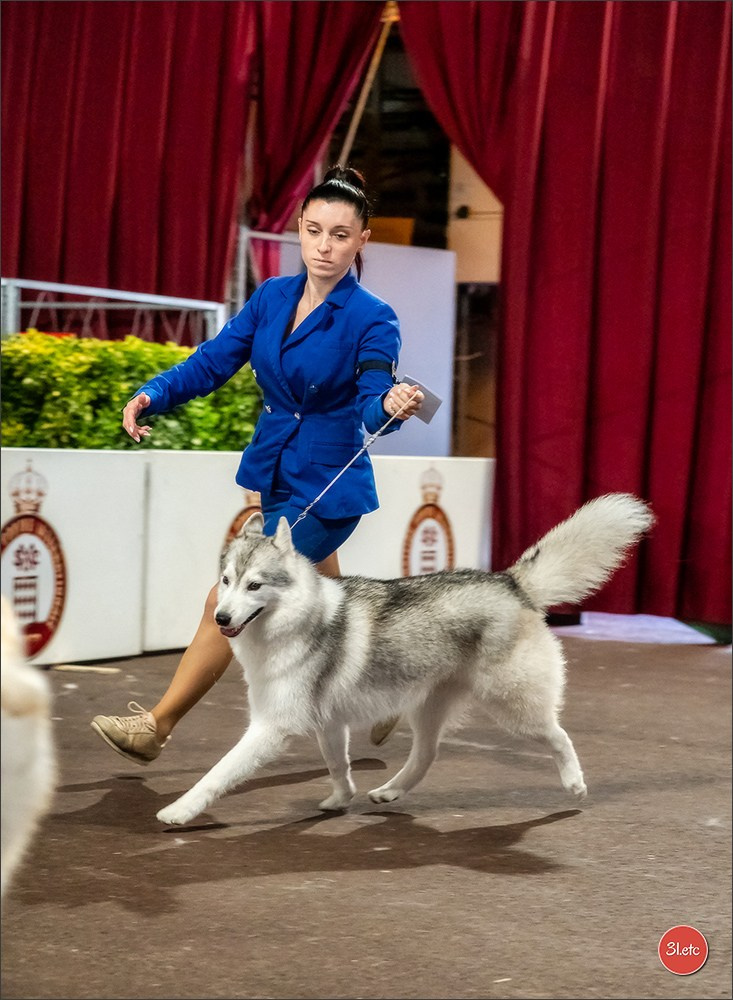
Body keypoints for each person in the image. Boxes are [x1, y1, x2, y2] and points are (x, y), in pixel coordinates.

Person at [91, 165, 423, 766]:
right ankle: (395, 684)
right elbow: (214, 359)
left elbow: (374, 392)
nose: (325, 246)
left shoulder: (374, 317)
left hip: (328, 483)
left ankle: (156, 726)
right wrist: (153, 394)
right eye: (315, 231)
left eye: (341, 235)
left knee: (230, 595)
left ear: (363, 240)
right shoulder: (272, 296)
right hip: (275, 472)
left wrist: (392, 404)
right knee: (333, 605)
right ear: (299, 229)